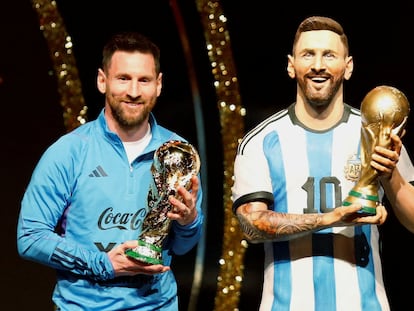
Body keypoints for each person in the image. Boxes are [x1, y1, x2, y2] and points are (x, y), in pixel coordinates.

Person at [231, 16, 414, 311]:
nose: (318, 64)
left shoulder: (377, 132)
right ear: (292, 65)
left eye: (329, 54)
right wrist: (332, 218)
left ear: (348, 66)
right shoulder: (262, 140)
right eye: (308, 54)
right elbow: (250, 227)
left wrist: (391, 176)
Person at [17, 31, 203, 311]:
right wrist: (102, 264)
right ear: (102, 81)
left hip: (156, 305)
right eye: (123, 78)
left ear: (159, 84)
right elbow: (30, 237)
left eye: (144, 80)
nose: (134, 91)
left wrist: (189, 221)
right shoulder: (69, 151)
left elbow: (182, 247)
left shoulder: (177, 152)